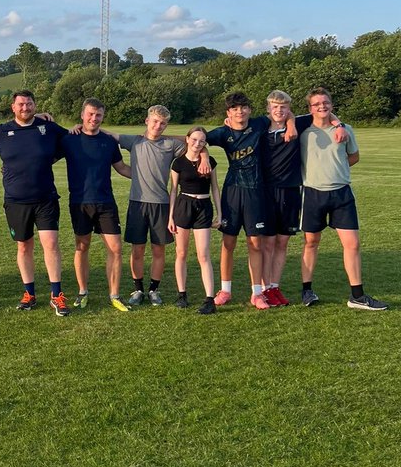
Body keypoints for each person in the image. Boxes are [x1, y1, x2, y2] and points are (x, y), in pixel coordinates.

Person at [298, 87, 387, 310]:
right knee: (311, 242)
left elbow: (354, 156)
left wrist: (336, 169)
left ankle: (357, 296)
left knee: (352, 244)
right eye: (316, 103)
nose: (322, 106)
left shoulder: (345, 129)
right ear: (310, 108)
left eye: (325, 102)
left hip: (342, 193)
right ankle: (307, 291)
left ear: (332, 105)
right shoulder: (303, 130)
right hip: (312, 193)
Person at [205, 92, 294, 310]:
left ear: (250, 110)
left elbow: (285, 113)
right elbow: (196, 138)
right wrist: (204, 155)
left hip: (256, 192)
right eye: (235, 109)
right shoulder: (222, 133)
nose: (240, 112)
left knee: (255, 243)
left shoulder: (259, 124)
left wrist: (291, 125)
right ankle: (225, 290)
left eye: (243, 107)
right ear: (228, 113)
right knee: (228, 243)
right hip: (233, 191)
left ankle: (257, 294)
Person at [0, 90, 71, 316]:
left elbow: (70, 141)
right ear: (13, 107)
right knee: (24, 246)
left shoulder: (49, 128)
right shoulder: (1, 132)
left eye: (29, 104)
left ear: (35, 105)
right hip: (16, 201)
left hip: (45, 198)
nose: (25, 108)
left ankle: (57, 295)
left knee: (51, 244)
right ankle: (30, 293)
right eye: (21, 104)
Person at [115, 106, 197, 307]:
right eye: (154, 121)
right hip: (138, 203)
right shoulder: (133, 141)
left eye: (162, 123)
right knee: (137, 250)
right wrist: (79, 126)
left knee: (158, 250)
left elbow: (195, 142)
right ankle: (138, 289)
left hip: (161, 204)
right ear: (146, 120)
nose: (158, 126)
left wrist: (202, 155)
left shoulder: (170, 144)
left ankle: (153, 289)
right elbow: (108, 134)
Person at [61, 98, 131, 311]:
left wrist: (147, 176)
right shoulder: (69, 139)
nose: (94, 118)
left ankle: (115, 295)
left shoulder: (109, 141)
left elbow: (122, 168)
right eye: (90, 114)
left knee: (116, 249)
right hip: (80, 203)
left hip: (105, 202)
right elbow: (43, 158)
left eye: (98, 115)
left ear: (102, 117)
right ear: (82, 115)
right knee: (82, 247)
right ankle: (83, 291)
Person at [168, 126, 221, 314]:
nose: (197, 144)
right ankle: (182, 294)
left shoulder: (210, 161)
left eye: (202, 141)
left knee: (203, 255)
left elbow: (215, 188)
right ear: (187, 138)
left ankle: (209, 299)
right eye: (194, 139)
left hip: (203, 208)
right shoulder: (178, 163)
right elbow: (173, 190)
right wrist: (170, 217)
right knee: (181, 253)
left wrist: (219, 213)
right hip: (183, 206)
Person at [259, 90, 304, 306]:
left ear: (289, 109)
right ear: (268, 108)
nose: (279, 110)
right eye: (275, 106)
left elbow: (327, 114)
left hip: (290, 190)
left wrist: (293, 122)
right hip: (266, 191)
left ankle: (275, 287)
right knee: (267, 243)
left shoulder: (297, 125)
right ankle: (264, 288)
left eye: (283, 107)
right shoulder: (259, 127)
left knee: (282, 242)